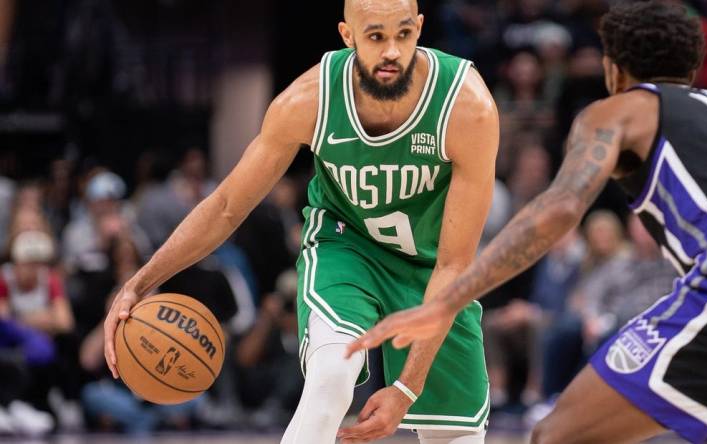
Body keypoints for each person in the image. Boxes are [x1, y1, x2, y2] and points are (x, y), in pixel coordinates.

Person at [347, 3, 707, 444]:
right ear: (693, 70)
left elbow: (559, 208)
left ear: (612, 69)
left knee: (556, 435)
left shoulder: (619, 111)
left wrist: (445, 303)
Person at [102, 0, 499, 443]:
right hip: (347, 249)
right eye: (375, 36)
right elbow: (229, 205)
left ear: (420, 29)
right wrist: (138, 282)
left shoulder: (467, 106)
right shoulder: (308, 101)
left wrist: (405, 389)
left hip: (433, 266)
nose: (391, 51)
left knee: (455, 437)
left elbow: (454, 265)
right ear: (347, 36)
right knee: (331, 376)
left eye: (402, 35)